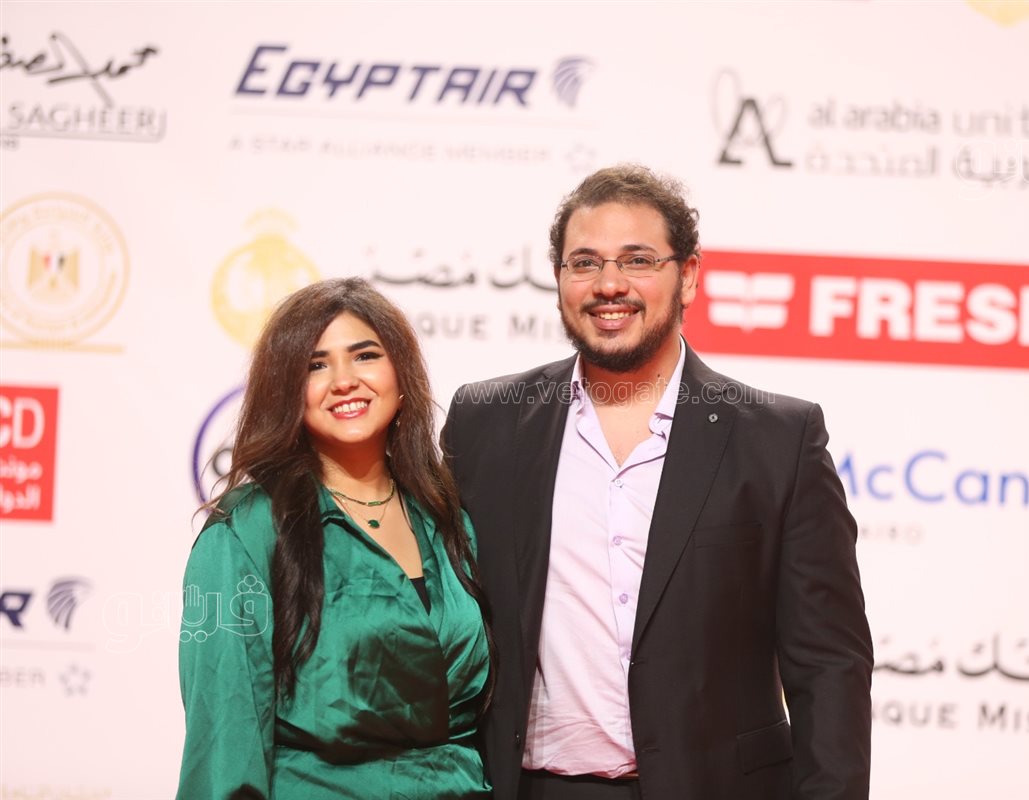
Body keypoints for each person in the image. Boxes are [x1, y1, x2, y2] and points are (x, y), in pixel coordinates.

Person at [441, 165, 872, 800]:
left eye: (638, 260)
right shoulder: (487, 424)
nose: (609, 284)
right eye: (584, 263)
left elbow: (829, 665)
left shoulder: (779, 440)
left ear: (688, 275)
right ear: (559, 278)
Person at [177, 278, 494, 799]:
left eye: (365, 356)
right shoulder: (246, 532)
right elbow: (224, 739)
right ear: (286, 390)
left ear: (401, 373)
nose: (344, 381)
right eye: (315, 366)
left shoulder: (447, 517)